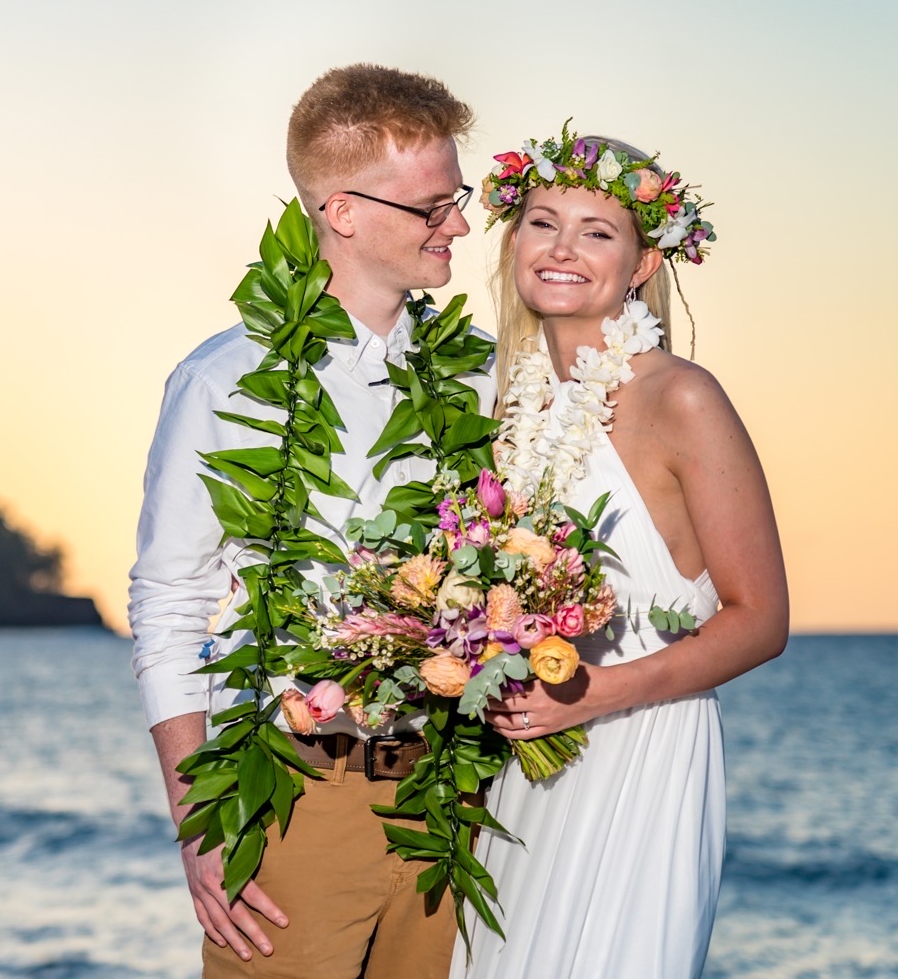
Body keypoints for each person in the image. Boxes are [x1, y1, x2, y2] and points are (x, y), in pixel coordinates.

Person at [128, 64, 495, 978]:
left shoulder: (481, 377)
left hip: (455, 803)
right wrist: (198, 825)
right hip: (293, 800)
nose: (457, 225)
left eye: (457, 200)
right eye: (432, 206)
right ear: (343, 212)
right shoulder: (222, 381)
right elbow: (169, 606)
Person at [458, 135, 789, 979]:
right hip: (526, 765)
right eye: (543, 223)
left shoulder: (682, 396)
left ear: (642, 264)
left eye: (597, 232)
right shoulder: (507, 405)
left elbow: (761, 621)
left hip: (642, 753)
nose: (562, 248)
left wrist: (597, 694)